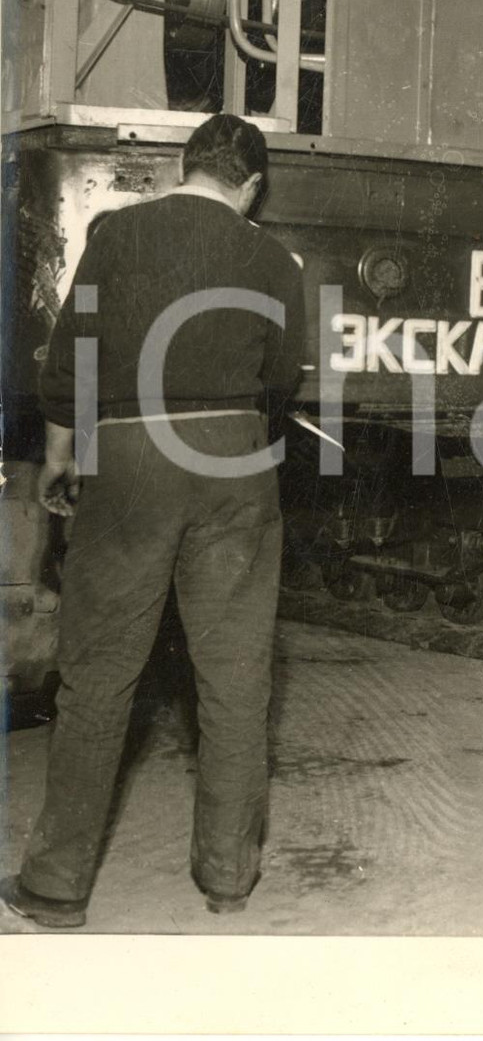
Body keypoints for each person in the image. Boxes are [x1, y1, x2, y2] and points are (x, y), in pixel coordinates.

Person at [1, 113, 305, 927]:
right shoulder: (273, 257)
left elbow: (71, 359)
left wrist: (62, 453)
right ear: (252, 187)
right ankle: (229, 876)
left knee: (99, 676)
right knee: (236, 679)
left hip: (131, 452)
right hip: (236, 458)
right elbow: (282, 376)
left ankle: (57, 885)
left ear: (183, 164)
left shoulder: (119, 234)